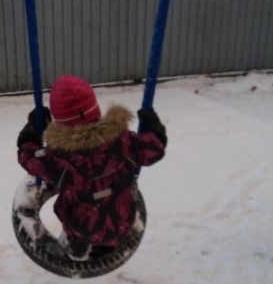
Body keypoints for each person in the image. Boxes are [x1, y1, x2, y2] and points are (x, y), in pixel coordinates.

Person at [17, 75, 167, 260]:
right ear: (95, 109)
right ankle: (114, 239)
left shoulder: (57, 158)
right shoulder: (124, 142)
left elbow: (28, 157)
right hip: (122, 220)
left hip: (80, 227)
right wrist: (154, 126)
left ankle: (76, 244)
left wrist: (32, 130)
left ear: (59, 122)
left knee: (77, 218)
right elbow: (155, 147)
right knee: (115, 210)